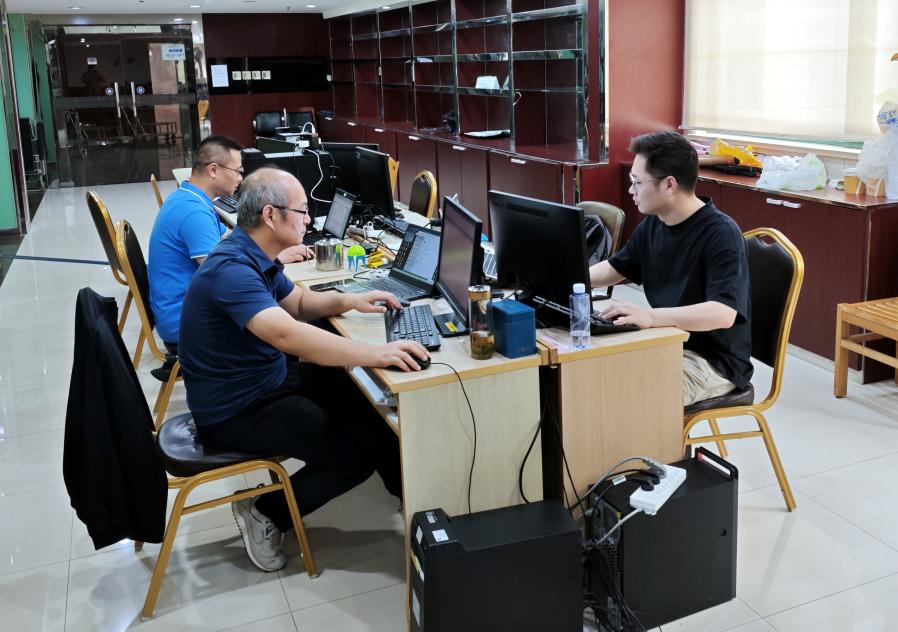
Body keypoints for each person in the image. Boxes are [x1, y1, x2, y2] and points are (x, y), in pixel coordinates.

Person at [178, 167, 429, 572]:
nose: (309, 220)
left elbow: (296, 302)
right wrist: (375, 353)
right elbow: (288, 336)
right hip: (235, 409)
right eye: (302, 211)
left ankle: (411, 496)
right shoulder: (232, 269)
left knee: (362, 397)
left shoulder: (251, 252)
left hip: (265, 381)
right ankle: (265, 511)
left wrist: (349, 300)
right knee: (356, 454)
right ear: (271, 216)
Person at [589, 131, 752, 406]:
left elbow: (723, 313)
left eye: (636, 182)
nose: (631, 191)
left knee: (627, 397)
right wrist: (568, 276)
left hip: (711, 362)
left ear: (669, 185)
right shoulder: (656, 222)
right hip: (668, 340)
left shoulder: (721, 234)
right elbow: (616, 268)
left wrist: (651, 317)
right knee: (590, 372)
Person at [147, 135, 312, 380]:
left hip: (178, 312)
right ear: (213, 170)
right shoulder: (193, 213)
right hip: (183, 324)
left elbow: (232, 240)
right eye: (237, 171)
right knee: (281, 321)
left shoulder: (192, 199)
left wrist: (271, 242)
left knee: (280, 308)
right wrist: (276, 254)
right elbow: (223, 271)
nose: (240, 178)